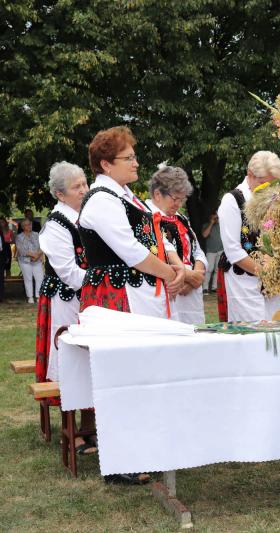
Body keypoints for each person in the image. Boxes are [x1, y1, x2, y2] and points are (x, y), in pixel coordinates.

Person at [80, 126, 184, 484]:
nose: (136, 163)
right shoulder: (102, 200)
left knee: (141, 371)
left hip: (136, 293)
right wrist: (169, 274)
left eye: (135, 156)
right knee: (121, 374)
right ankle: (120, 460)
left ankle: (143, 449)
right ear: (106, 164)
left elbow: (154, 235)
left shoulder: (126, 196)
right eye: (128, 158)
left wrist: (175, 264)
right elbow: (130, 250)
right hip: (115, 296)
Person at [37, 161, 95, 452]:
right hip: (67, 301)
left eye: (85, 183)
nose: (84, 190)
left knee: (92, 357)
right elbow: (70, 274)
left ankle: (90, 425)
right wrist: (102, 280)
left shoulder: (89, 216)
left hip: (92, 300)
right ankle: (72, 430)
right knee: (70, 360)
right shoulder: (56, 226)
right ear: (60, 194)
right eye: (77, 187)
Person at [218, 151, 280, 322]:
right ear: (250, 174)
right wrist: (266, 274)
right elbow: (233, 251)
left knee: (277, 328)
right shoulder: (232, 200)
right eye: (263, 183)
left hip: (273, 286)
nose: (268, 189)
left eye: (273, 184)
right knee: (252, 330)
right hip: (243, 283)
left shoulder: (275, 200)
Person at [147, 165, 207, 325]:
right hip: (170, 289)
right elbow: (159, 253)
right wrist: (188, 276)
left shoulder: (181, 218)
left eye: (182, 199)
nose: (178, 204)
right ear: (157, 194)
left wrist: (197, 275)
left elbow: (197, 250)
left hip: (192, 294)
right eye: (175, 199)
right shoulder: (147, 217)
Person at [16, 219, 44, 303]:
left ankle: (38, 296)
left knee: (40, 278)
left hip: (37, 260)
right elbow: (21, 250)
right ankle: (30, 297)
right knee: (28, 279)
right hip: (25, 261)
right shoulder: (19, 237)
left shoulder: (37, 234)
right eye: (26, 225)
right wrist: (33, 255)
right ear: (23, 227)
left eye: (30, 224)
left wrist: (37, 255)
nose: (29, 226)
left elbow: (42, 246)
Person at [201, 212, 223, 293]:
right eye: (214, 218)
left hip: (221, 250)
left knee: (218, 269)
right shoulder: (206, 225)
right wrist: (211, 223)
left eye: (217, 218)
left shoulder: (221, 225)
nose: (215, 219)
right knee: (209, 269)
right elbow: (204, 235)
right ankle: (205, 288)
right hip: (210, 251)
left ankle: (215, 287)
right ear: (210, 218)